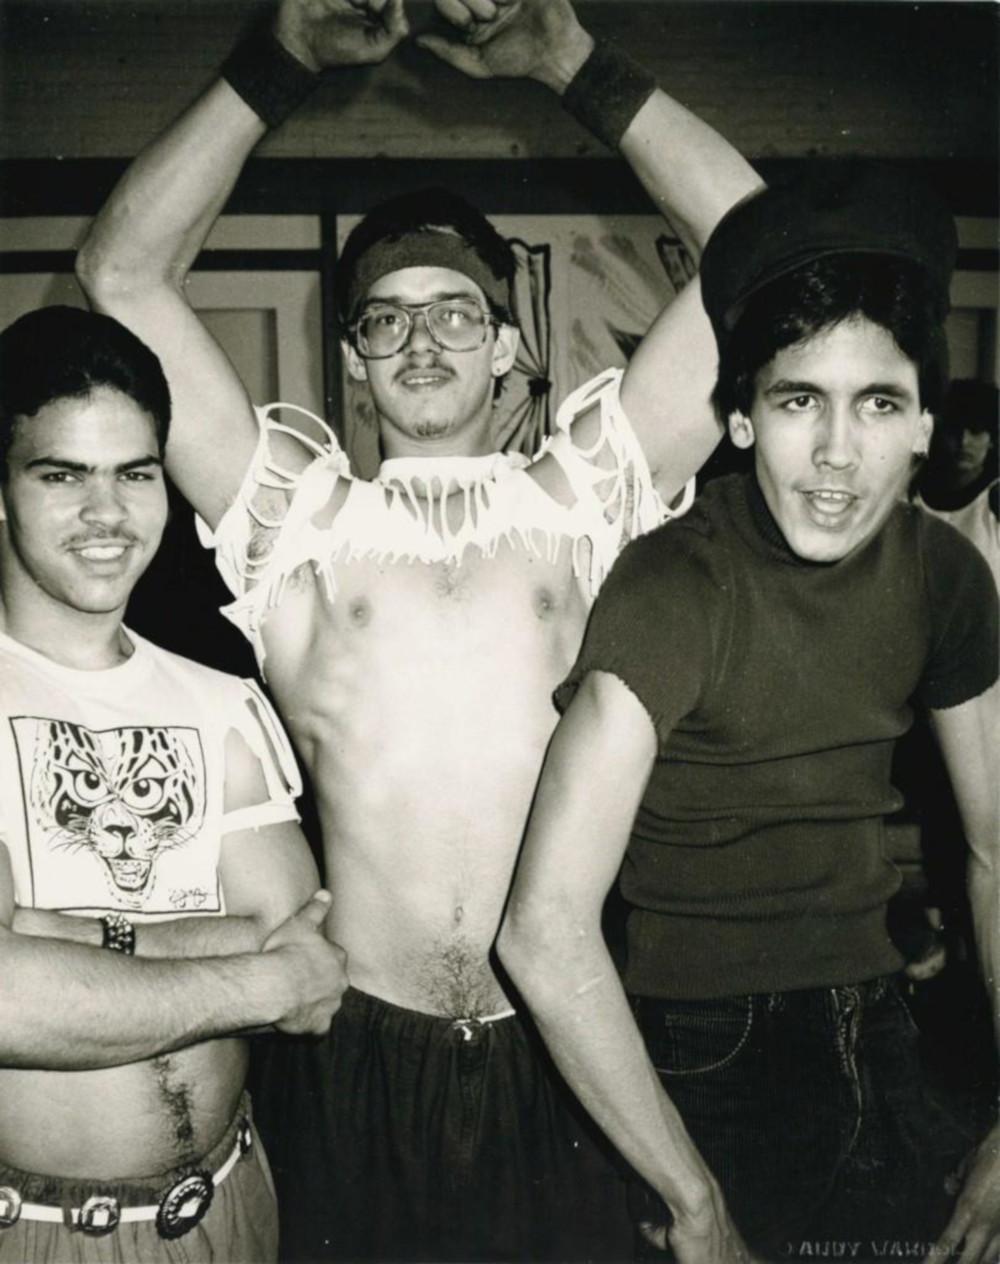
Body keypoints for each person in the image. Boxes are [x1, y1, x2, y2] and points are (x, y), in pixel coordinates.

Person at [75, 0, 762, 1257]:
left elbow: (760, 249)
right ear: (352, 365)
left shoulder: (587, 503)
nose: (421, 337)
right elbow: (120, 273)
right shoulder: (293, 523)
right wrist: (280, 60)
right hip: (347, 1049)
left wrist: (570, 62)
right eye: (385, 319)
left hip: (564, 1050)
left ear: (510, 345)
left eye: (457, 311)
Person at [497, 166, 1000, 1263]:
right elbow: (540, 931)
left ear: (924, 425)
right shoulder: (674, 586)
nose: (834, 454)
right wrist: (695, 1202)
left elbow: (995, 849)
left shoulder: (946, 577)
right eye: (795, 401)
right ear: (737, 418)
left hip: (881, 1018)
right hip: (702, 1048)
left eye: (878, 403)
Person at [0, 306, 348, 1263]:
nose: (107, 514)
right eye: (62, 474)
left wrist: (52, 928)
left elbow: (309, 970)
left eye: (136, 474)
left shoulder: (223, 697)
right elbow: (7, 1004)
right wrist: (256, 972)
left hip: (234, 1209)